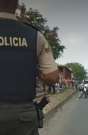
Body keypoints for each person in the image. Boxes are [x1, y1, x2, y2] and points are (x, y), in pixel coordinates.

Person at [0, 0, 59, 135]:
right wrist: (33, 69)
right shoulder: (34, 35)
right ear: (16, 5)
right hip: (22, 115)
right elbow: (52, 76)